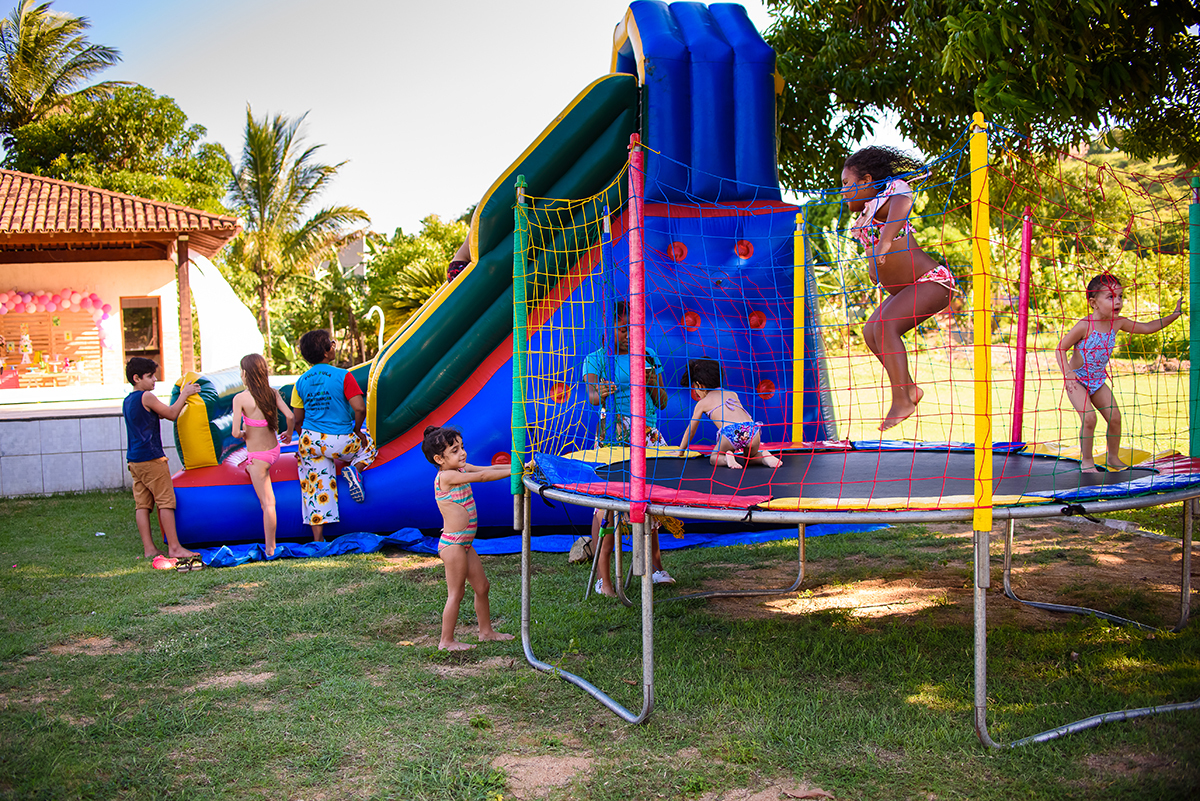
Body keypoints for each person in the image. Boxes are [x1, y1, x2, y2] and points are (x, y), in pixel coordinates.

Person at [841, 145, 953, 431]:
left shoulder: (890, 195)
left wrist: (887, 240)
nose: (842, 192)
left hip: (931, 282)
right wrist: (874, 264)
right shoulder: (864, 218)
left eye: (846, 184)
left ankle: (901, 400)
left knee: (887, 325)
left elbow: (903, 200)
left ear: (866, 181)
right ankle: (910, 388)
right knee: (871, 331)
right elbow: (874, 260)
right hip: (904, 290)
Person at [581, 301, 674, 594]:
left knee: (652, 504)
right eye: (623, 329)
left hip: (648, 438)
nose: (629, 334)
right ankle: (603, 577)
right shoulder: (596, 359)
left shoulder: (649, 355)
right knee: (604, 509)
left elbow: (662, 401)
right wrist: (602, 391)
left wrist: (650, 384)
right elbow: (593, 397)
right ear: (610, 329)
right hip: (613, 440)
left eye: (633, 328)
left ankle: (656, 566)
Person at [1057, 274, 1182, 471]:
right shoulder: (1085, 325)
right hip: (1077, 380)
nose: (1118, 301)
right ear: (1093, 302)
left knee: (1115, 417)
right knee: (1089, 418)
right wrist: (1068, 374)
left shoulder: (1118, 322)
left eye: (1120, 296)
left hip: (1097, 380)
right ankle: (1087, 461)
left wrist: (1173, 315)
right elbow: (1060, 348)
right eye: (1111, 297)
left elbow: (1148, 327)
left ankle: (1113, 457)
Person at [422, 425, 515, 651]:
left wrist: (517, 465)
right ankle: (446, 641)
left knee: (482, 587)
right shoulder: (447, 476)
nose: (462, 453)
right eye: (454, 450)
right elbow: (482, 476)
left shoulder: (461, 469)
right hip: (453, 545)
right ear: (439, 459)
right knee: (457, 592)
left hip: (465, 543)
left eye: (462, 447)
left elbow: (488, 467)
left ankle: (486, 632)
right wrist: (516, 472)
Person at [292, 329, 377, 542]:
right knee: (371, 445)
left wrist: (303, 445)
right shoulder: (343, 375)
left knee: (316, 484)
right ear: (327, 350)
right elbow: (359, 408)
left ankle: (318, 539)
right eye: (332, 343)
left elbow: (298, 420)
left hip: (310, 440)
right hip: (339, 440)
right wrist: (357, 431)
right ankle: (355, 470)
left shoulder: (300, 382)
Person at [123, 356, 201, 569]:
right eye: (150, 376)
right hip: (152, 458)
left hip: (134, 460)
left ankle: (149, 548)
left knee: (142, 504)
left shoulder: (128, 400)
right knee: (166, 500)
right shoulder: (146, 396)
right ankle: (174, 548)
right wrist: (185, 394)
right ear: (137, 378)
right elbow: (172, 414)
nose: (154, 380)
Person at [231, 353, 295, 557]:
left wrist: (243, 433)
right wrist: (289, 433)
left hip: (258, 457)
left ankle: (270, 547)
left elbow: (234, 433)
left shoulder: (240, 398)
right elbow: (290, 415)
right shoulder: (272, 393)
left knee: (268, 503)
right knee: (258, 478)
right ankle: (271, 544)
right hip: (274, 450)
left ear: (245, 374)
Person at [677, 358, 782, 469]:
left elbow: (691, 430)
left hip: (730, 432)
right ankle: (765, 457)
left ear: (700, 385)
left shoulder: (702, 403)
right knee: (750, 458)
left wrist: (681, 451)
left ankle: (726, 458)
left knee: (714, 457)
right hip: (752, 430)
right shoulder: (732, 393)